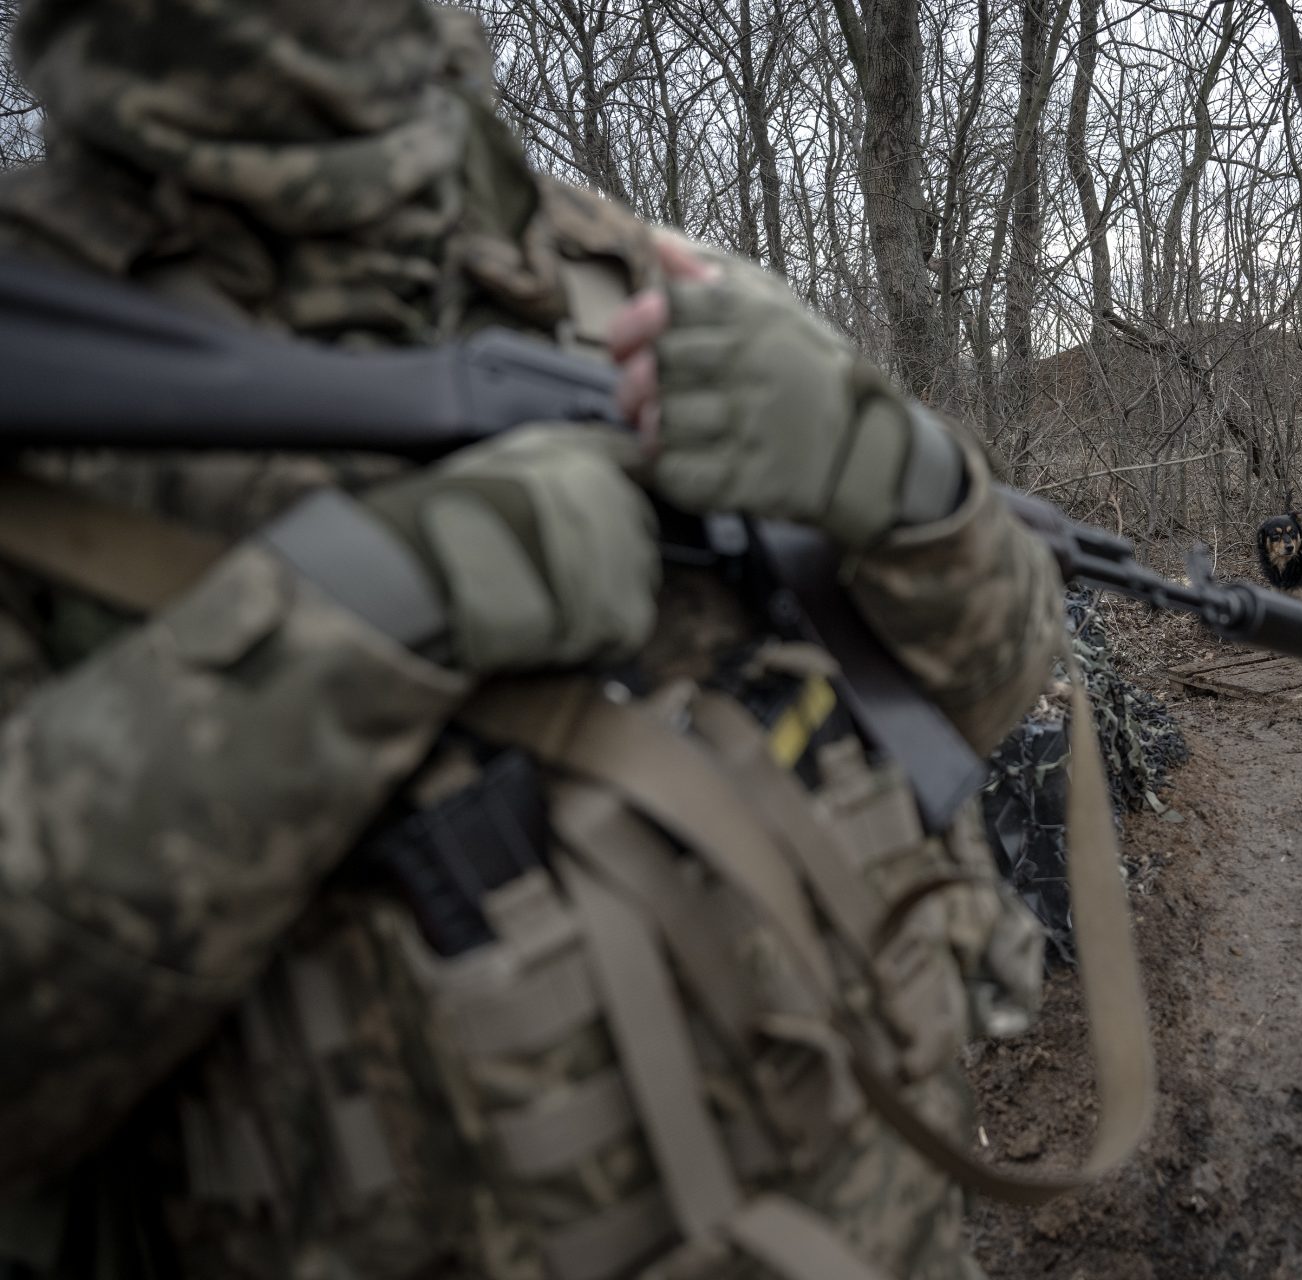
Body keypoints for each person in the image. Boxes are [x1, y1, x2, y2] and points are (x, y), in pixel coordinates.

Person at [0, 2, 1068, 1276]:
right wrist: (363, 608)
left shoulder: (633, 283)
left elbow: (982, 700)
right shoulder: (42, 351)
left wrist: (915, 487)